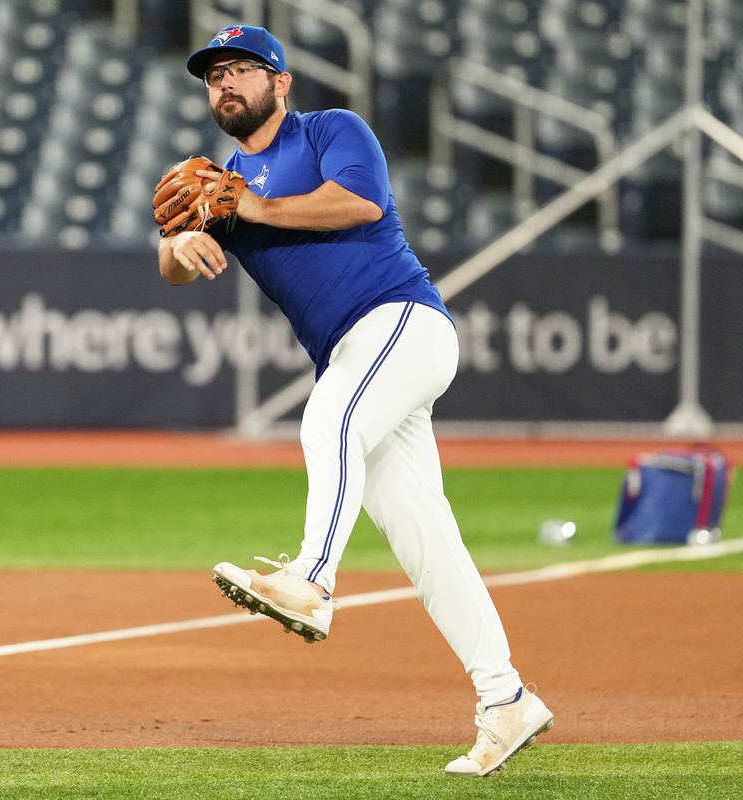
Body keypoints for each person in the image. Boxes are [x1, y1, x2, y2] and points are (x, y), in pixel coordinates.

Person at [156, 25, 554, 778]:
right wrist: (177, 247)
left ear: (282, 82)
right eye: (214, 77)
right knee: (423, 538)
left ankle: (311, 578)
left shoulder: (332, 131)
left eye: (242, 69)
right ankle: (505, 698)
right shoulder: (219, 182)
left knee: (329, 416)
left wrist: (252, 207)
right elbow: (172, 258)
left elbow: (359, 206)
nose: (226, 85)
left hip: (402, 321)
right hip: (356, 351)